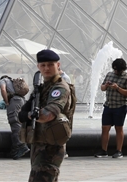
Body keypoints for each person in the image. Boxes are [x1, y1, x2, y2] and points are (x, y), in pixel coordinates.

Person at [20, 49, 74, 181]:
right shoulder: (42, 88)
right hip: (40, 142)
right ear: (38, 67)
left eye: (50, 64)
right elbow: (23, 112)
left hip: (51, 146)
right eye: (43, 65)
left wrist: (28, 115)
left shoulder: (60, 87)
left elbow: (48, 115)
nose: (46, 68)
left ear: (58, 65)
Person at [95, 58, 127, 159]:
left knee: (118, 128)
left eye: (118, 70)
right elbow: (102, 88)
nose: (116, 71)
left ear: (122, 69)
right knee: (105, 128)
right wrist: (106, 85)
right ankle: (103, 150)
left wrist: (117, 88)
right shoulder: (109, 74)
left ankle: (119, 151)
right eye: (114, 69)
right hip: (108, 105)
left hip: (120, 106)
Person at [1, 75, 29, 160]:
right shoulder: (12, 82)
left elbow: (3, 90)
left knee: (14, 122)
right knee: (19, 122)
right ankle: (16, 149)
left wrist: (6, 102)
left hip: (14, 101)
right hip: (21, 100)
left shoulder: (3, 80)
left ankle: (21, 146)